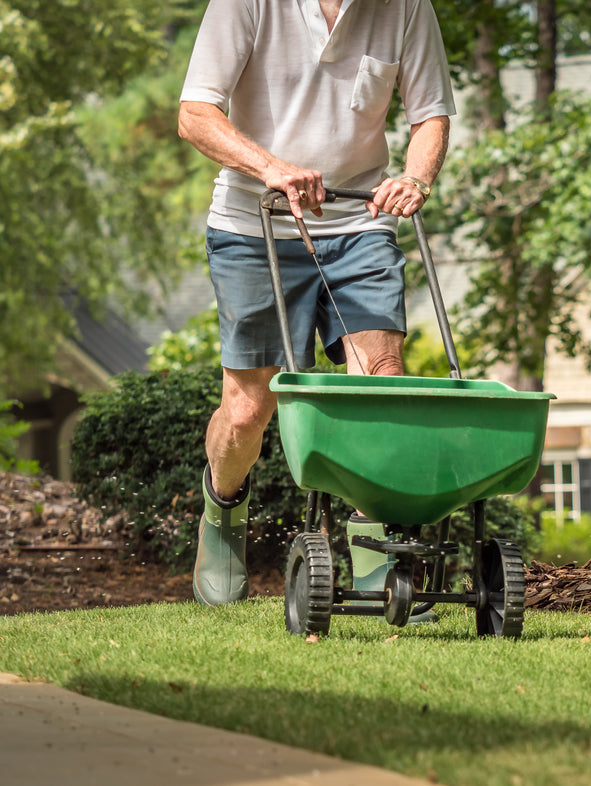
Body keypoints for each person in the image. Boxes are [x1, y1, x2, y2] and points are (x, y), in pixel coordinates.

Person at [178, 0, 454, 606]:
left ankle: (376, 550)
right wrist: (271, 166)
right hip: (256, 224)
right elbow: (196, 115)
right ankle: (223, 509)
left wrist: (415, 178)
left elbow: (430, 114)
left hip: (360, 222)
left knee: (377, 387)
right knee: (249, 409)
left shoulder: (406, 7)